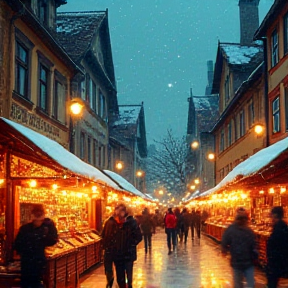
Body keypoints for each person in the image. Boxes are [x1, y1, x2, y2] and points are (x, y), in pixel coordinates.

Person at [14, 204, 58, 288]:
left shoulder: (25, 228)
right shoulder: (46, 227)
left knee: (29, 281)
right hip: (35, 259)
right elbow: (53, 240)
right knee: (34, 281)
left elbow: (17, 244)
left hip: (29, 260)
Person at [102, 204, 142, 288]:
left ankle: (128, 285)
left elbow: (138, 237)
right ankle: (121, 285)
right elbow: (104, 236)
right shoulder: (111, 222)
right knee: (120, 276)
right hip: (117, 254)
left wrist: (131, 244)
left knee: (128, 274)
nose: (119, 218)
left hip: (128, 254)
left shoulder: (131, 222)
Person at [221, 207, 257, 288]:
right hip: (243, 262)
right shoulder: (248, 230)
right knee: (248, 284)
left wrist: (224, 250)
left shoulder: (232, 229)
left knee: (241, 284)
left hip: (241, 262)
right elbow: (254, 244)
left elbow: (224, 240)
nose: (243, 220)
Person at [266, 206, 288, 288]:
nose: (271, 218)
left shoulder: (278, 230)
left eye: (271, 216)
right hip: (280, 263)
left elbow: (275, 246)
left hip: (276, 264)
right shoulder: (284, 228)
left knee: (272, 284)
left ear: (275, 216)